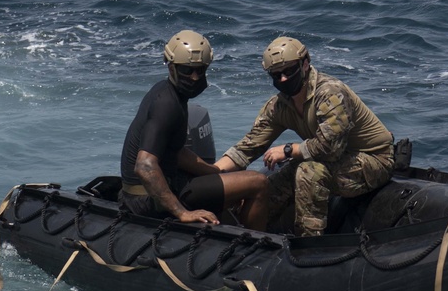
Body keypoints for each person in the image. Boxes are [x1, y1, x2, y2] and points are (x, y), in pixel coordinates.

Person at [214, 36, 395, 236]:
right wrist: (213, 172)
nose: (283, 79)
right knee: (273, 183)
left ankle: (310, 241)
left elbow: (330, 149)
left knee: (308, 171)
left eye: (289, 71)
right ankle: (250, 235)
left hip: (373, 160)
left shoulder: (330, 93)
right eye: (276, 75)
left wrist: (289, 150)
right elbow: (248, 147)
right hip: (330, 159)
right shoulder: (279, 106)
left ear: (305, 64)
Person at [120, 30, 275, 227]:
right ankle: (255, 247)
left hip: (153, 189)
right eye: (187, 70)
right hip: (146, 201)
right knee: (258, 182)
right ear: (171, 68)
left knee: (232, 182)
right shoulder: (166, 104)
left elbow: (176, 152)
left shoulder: (169, 94)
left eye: (200, 70)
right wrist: (182, 213)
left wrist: (213, 171)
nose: (194, 77)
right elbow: (144, 166)